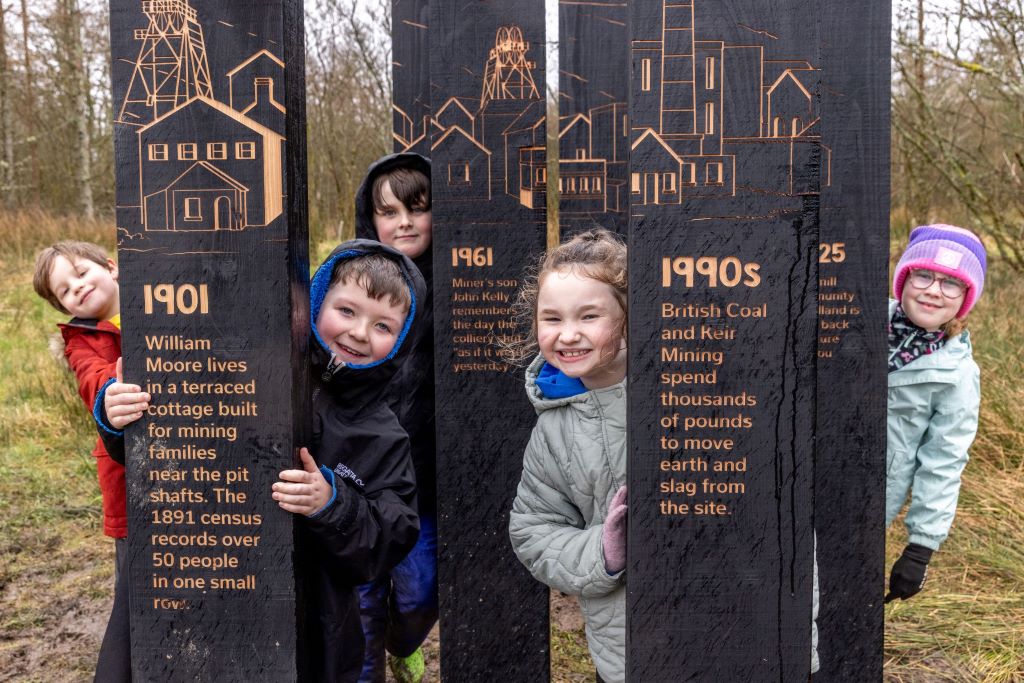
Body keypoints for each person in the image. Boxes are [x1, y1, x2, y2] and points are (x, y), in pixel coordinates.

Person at [103, 240, 426, 681]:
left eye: (384, 326)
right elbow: (168, 447)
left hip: (313, 620)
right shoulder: (246, 366)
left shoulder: (383, 435)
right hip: (200, 574)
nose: (359, 333)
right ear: (314, 302)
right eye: (347, 311)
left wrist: (334, 504)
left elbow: (392, 535)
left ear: (403, 339)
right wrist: (118, 415)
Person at [507, 229, 628, 683]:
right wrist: (603, 550)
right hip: (621, 648)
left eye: (589, 315)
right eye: (552, 318)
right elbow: (533, 530)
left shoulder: (679, 392)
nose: (568, 334)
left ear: (628, 317)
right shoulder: (553, 429)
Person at [31, 240, 134, 681]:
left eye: (79, 273)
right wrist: (116, 384)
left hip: (195, 463)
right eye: (64, 291)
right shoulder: (81, 343)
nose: (77, 288)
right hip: (132, 488)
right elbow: (95, 383)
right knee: (133, 594)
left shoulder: (162, 297)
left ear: (110, 267)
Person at [353, 153, 437, 683]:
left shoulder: (462, 287)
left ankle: (402, 641)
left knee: (420, 589)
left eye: (417, 208)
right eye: (388, 212)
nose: (403, 221)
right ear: (371, 220)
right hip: (360, 476)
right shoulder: (350, 280)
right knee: (361, 598)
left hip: (425, 480)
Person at [885, 223, 985, 603]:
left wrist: (920, 549)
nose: (932, 291)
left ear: (965, 297)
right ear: (904, 279)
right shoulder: (851, 317)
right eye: (923, 275)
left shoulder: (956, 374)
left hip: (869, 495)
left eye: (950, 283)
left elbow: (943, 461)